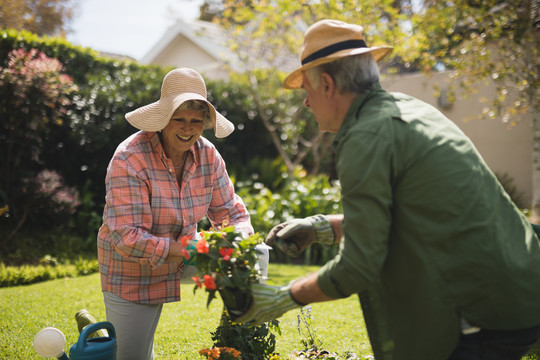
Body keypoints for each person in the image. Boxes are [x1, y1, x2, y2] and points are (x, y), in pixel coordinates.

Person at [235, 19, 540, 360]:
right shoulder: (409, 110)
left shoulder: (366, 136)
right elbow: (408, 215)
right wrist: (325, 228)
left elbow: (359, 266)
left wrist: (283, 297)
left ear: (327, 84)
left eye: (305, 89)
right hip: (518, 286)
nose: (305, 103)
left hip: (483, 314)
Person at [97, 68, 268, 360]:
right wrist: (195, 249)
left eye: (195, 121)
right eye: (179, 119)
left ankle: (242, 339)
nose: (187, 128)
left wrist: (237, 241)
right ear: (163, 119)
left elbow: (230, 212)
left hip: (187, 255)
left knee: (258, 252)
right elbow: (127, 237)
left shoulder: (208, 155)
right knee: (132, 357)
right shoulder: (130, 158)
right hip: (133, 272)